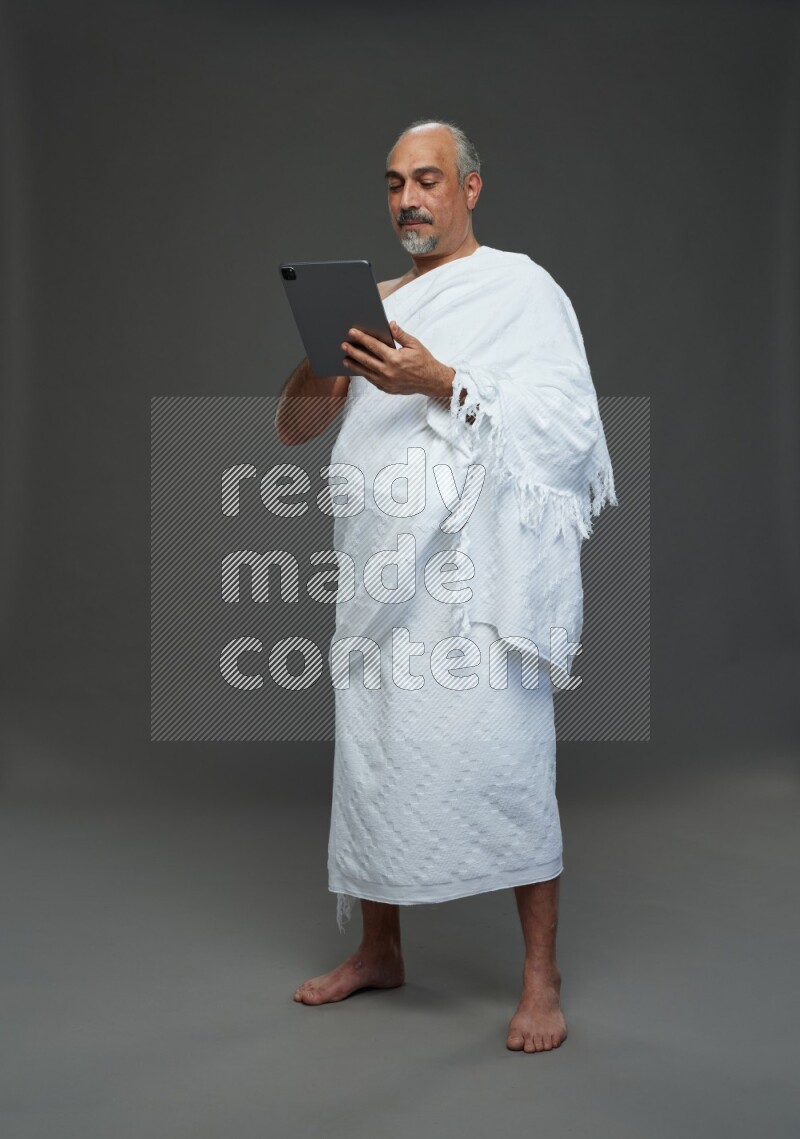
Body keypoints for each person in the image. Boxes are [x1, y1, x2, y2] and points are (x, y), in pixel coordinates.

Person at [275, 119, 616, 1053]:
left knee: (507, 762)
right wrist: (321, 353)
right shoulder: (373, 300)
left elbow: (568, 427)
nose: (408, 201)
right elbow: (296, 430)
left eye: (427, 180)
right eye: (393, 184)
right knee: (378, 758)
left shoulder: (521, 287)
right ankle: (379, 949)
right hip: (381, 574)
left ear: (470, 188)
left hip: (475, 584)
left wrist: (442, 378)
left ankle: (539, 975)